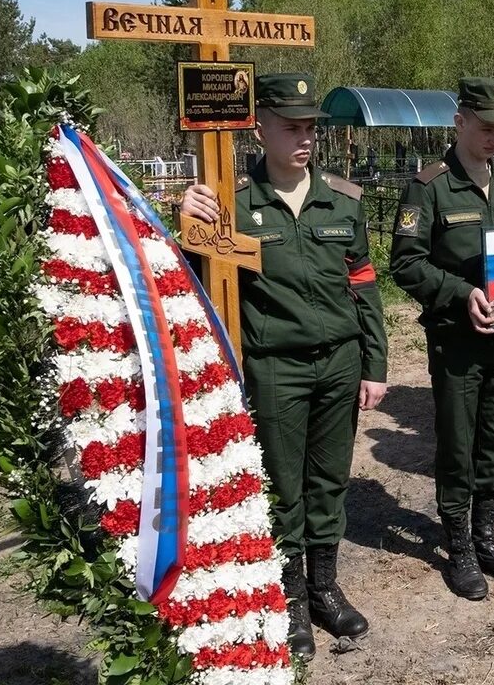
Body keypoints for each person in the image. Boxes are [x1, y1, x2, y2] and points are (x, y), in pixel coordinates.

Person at [179, 73, 387, 660]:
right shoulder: (235, 205)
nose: (304, 138)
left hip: (341, 362)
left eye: (310, 128)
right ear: (261, 125)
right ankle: (288, 597)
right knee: (284, 484)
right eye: (291, 126)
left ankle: (324, 586)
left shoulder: (342, 200)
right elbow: (197, 283)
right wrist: (190, 223)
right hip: (275, 366)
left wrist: (375, 363)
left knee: (329, 479)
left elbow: (364, 285)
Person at [390, 77, 494, 600]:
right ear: (460, 123)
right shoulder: (429, 186)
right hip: (456, 340)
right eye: (486, 128)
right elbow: (406, 264)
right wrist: (460, 294)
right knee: (458, 443)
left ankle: (487, 535)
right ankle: (458, 546)